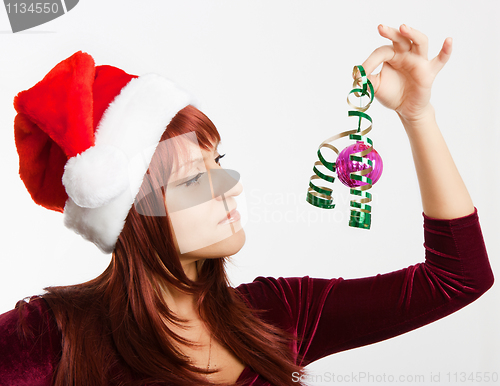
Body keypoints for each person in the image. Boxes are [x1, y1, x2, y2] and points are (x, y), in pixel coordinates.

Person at [0, 24, 494, 386]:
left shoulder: (277, 313)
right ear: (133, 213)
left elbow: (458, 278)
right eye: (195, 178)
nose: (230, 186)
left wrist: (417, 115)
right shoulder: (50, 336)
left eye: (220, 162)